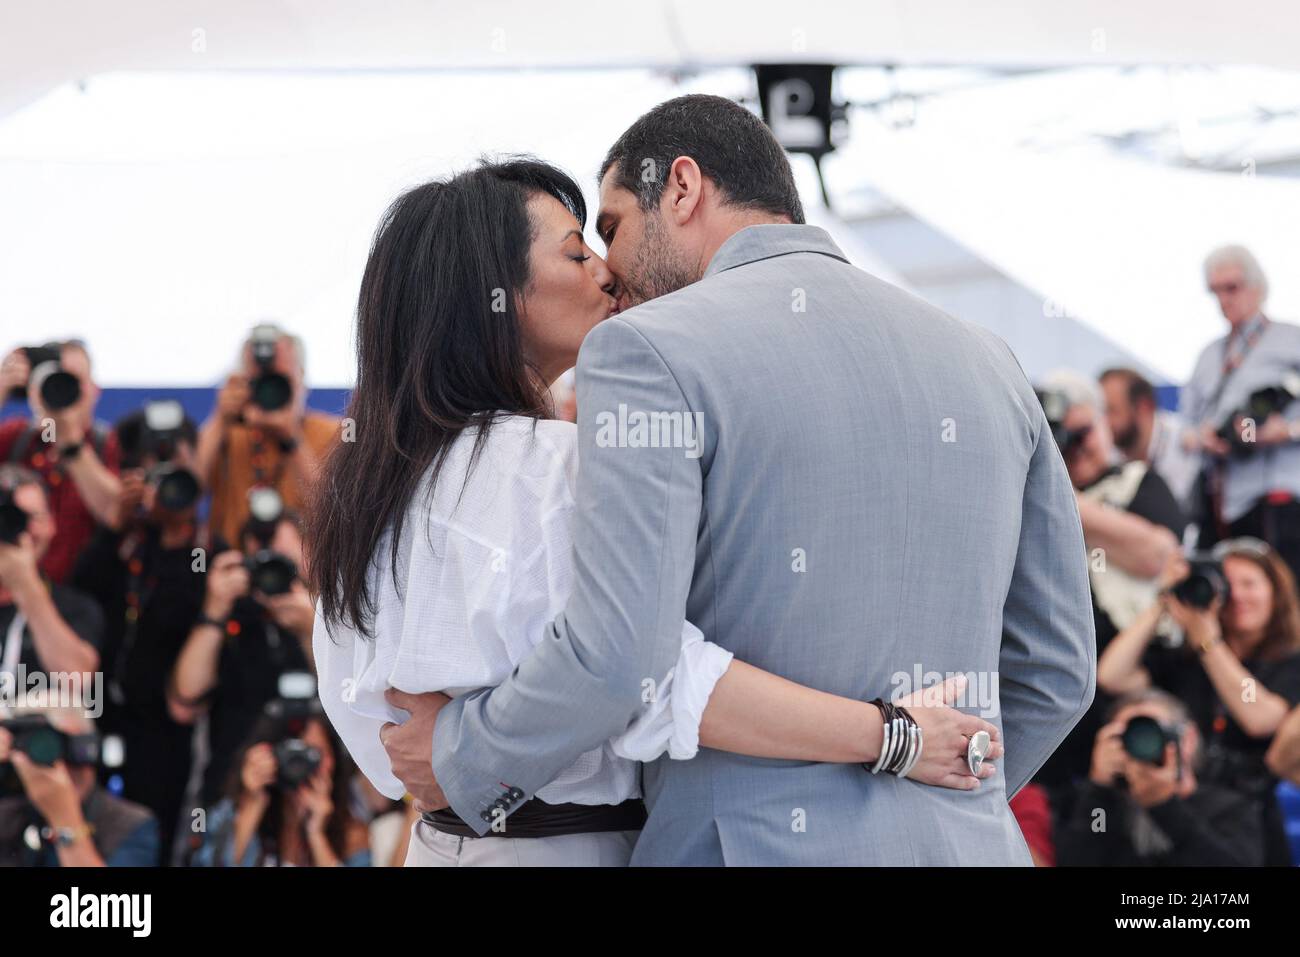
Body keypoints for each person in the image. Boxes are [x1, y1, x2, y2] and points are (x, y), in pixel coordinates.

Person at [356, 96, 1094, 866]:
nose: (612, 271)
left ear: (681, 188)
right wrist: (934, 786)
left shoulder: (647, 350)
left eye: (610, 227)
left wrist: (462, 755)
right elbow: (1060, 670)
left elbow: (620, 654)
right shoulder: (990, 361)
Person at [1027, 370, 1183, 800]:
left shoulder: (1138, 481)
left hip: (1138, 675)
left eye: (1084, 432)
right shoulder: (1031, 500)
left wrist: (1055, 493)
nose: (1078, 447)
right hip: (1061, 683)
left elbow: (1156, 553)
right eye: (1065, 438)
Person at [1097, 537, 1300, 865]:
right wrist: (1163, 601)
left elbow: (1261, 719)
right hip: (1181, 804)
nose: (1238, 596)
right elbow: (1111, 675)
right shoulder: (1188, 662)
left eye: (1250, 584)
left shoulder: (1289, 663)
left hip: (1254, 816)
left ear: (1276, 591)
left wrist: (1207, 640)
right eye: (1227, 585)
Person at [70, 407, 208, 863]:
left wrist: (177, 535)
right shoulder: (126, 543)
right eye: (152, 466)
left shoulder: (205, 551)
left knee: (159, 834)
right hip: (103, 715)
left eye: (175, 465)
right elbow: (79, 597)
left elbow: (186, 608)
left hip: (166, 731)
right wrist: (115, 525)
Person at [170, 510, 317, 807]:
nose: (275, 576)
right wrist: (214, 611)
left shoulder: (328, 618)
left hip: (313, 787)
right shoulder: (232, 619)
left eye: (286, 562)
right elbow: (184, 699)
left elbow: (349, 693)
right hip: (232, 789)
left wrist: (312, 629)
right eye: (266, 563)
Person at [1180, 245, 1300, 583]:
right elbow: (1183, 427)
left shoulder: (1291, 341)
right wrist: (1203, 438)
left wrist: (1283, 431)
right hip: (1220, 502)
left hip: (1279, 501)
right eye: (1215, 291)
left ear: (1258, 287)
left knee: (1285, 599)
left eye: (1232, 288)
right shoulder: (1208, 356)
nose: (1224, 300)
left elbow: (1273, 427)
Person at [1055, 688, 1263, 866]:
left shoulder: (1231, 807)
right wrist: (1099, 787)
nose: (1143, 744)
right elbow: (1076, 860)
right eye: (1129, 735)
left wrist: (1164, 806)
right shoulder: (1101, 809)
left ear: (1188, 739)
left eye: (1154, 731)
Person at [195, 323, 339, 547]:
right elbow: (189, 492)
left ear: (300, 378)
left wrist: (291, 437)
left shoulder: (331, 433)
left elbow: (333, 510)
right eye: (261, 381)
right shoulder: (227, 433)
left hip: (304, 574)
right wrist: (219, 419)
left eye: (279, 380)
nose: (270, 391)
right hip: (235, 569)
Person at [0, 340, 122, 583]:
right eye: (54, 378)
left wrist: (71, 443)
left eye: (74, 379)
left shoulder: (105, 444)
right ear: (34, 389)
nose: (62, 389)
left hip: (80, 595)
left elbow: (114, 513)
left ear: (93, 390)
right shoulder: (18, 438)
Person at [191, 709, 370, 867]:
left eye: (313, 753)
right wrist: (253, 802)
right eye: (292, 752)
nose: (300, 765)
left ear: (334, 761)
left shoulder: (353, 834)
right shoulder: (226, 815)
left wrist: (316, 833)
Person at [0, 707, 159, 866]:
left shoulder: (129, 823)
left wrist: (64, 819)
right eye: (43, 749)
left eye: (67, 746)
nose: (60, 768)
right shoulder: (8, 816)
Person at [0, 465, 101, 678]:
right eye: (6, 518)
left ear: (51, 525)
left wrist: (25, 584)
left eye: (32, 517)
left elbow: (76, 678)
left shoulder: (76, 608)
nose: (21, 531)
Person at [1099, 367, 1201, 513]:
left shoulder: (1187, 443)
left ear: (1144, 407)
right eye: (1101, 412)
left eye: (1112, 411)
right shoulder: (1107, 454)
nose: (1103, 422)